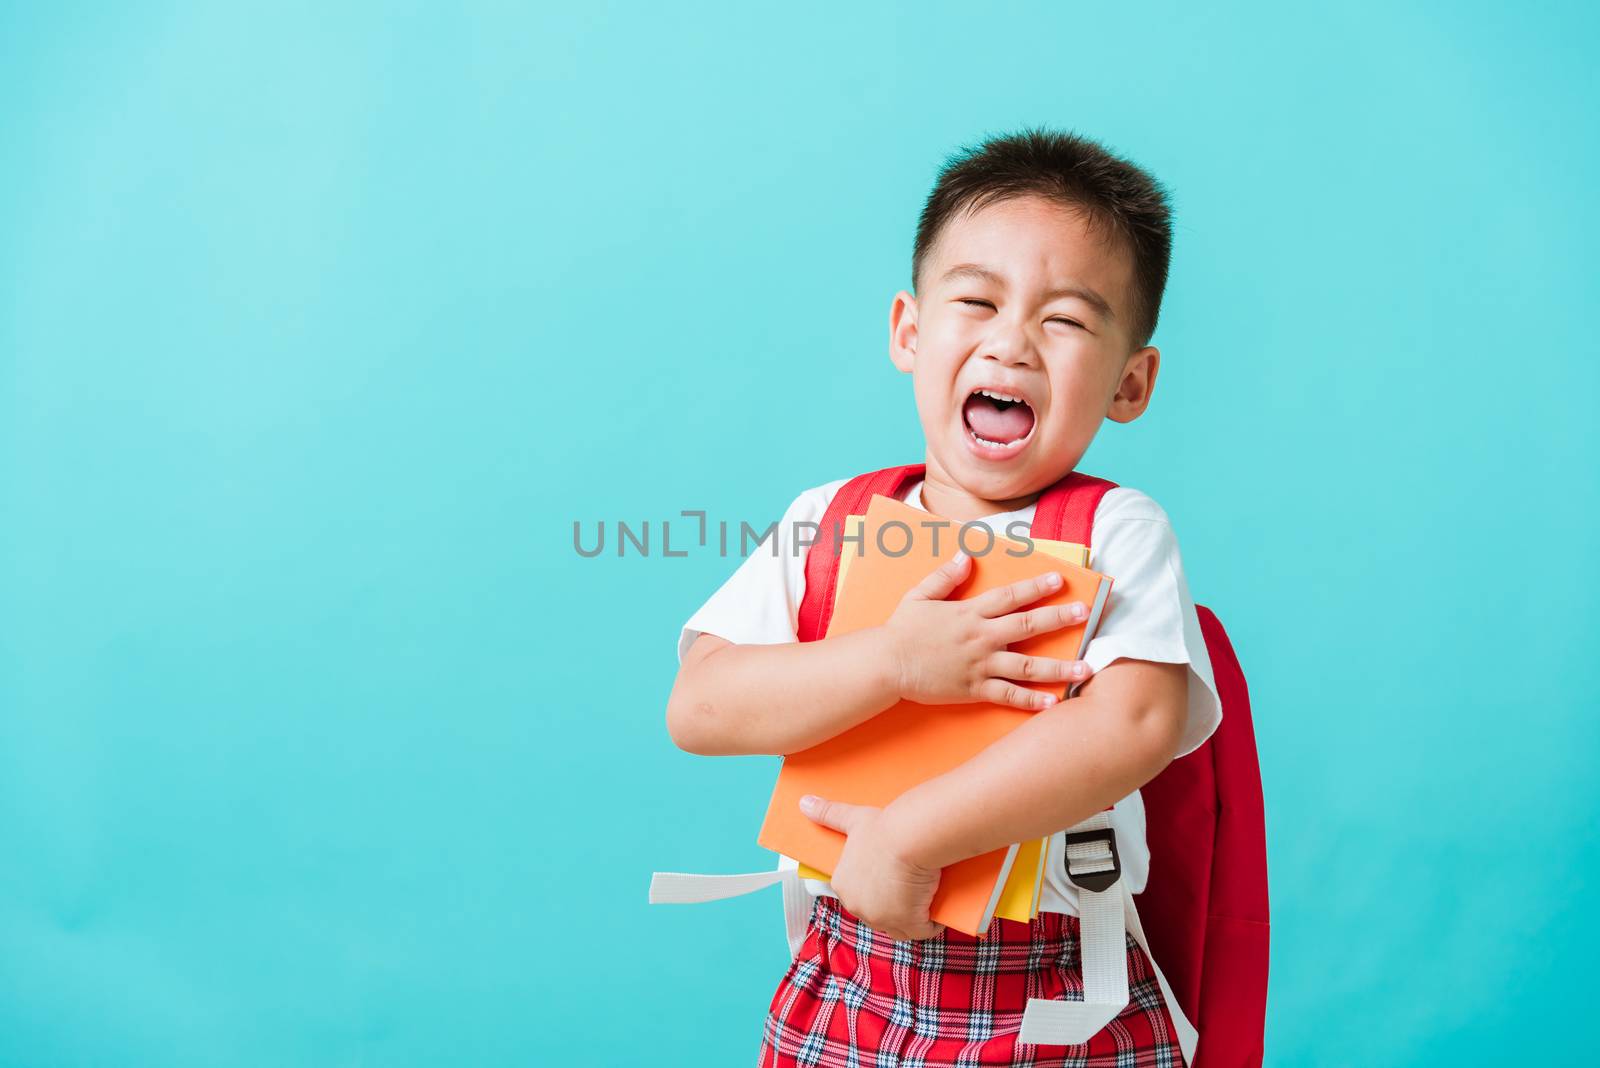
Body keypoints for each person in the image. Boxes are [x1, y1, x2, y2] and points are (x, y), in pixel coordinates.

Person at [665, 127, 1222, 1066]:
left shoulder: (1116, 531)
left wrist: (913, 836)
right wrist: (896, 661)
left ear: (1131, 383)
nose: (1011, 340)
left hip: (1056, 984)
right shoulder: (831, 521)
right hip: (850, 970)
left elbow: (1137, 722)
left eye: (1068, 320)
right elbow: (701, 705)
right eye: (976, 301)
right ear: (910, 332)